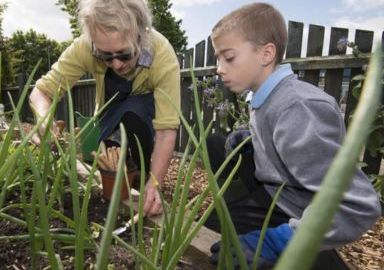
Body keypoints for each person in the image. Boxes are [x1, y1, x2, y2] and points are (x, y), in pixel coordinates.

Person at [205, 2, 381, 268]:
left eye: (228, 58)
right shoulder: (268, 97)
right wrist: (254, 142)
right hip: (281, 193)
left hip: (301, 212)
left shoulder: (296, 107)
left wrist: (279, 241)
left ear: (266, 54)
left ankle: (311, 251)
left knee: (223, 243)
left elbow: (357, 206)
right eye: (218, 59)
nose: (219, 68)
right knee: (215, 151)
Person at [29, 0, 181, 216]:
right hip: (110, 114)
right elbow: (41, 92)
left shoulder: (161, 54)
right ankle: (126, 173)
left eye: (125, 54)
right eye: (105, 56)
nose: (117, 64)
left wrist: (155, 183)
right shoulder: (85, 47)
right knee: (109, 157)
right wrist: (43, 119)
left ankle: (144, 173)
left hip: (146, 117)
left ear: (141, 35)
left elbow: (166, 130)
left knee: (134, 109)